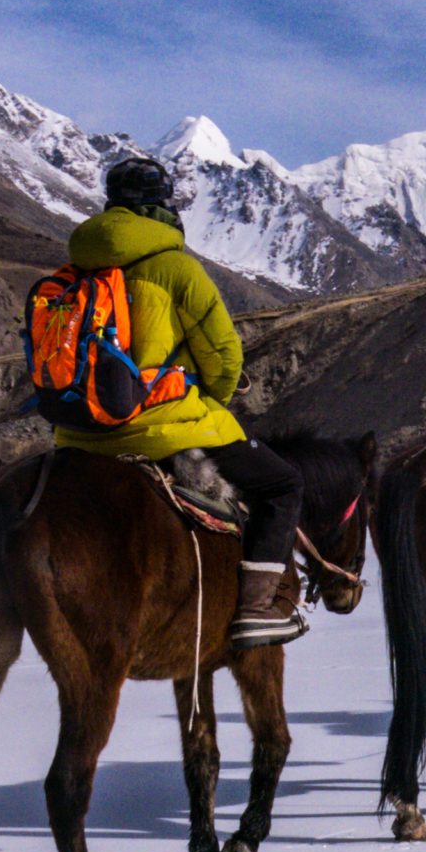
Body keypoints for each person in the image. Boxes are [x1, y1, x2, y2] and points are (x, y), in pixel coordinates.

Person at [50, 155, 307, 646]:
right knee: (282, 484)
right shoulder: (175, 267)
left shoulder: (77, 267)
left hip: (79, 433)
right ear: (164, 206)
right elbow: (224, 353)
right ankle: (257, 607)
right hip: (164, 425)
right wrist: (217, 396)